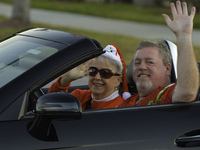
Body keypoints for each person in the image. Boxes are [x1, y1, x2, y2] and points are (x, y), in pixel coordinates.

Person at [120, 1, 199, 107]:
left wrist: (184, 36)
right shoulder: (128, 102)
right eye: (137, 63)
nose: (142, 67)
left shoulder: (164, 96)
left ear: (168, 69)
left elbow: (187, 92)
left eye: (150, 62)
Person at [48, 44, 131, 110]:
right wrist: (65, 80)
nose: (97, 77)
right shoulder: (79, 96)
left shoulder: (120, 109)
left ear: (118, 80)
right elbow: (49, 105)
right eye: (93, 71)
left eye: (105, 73)